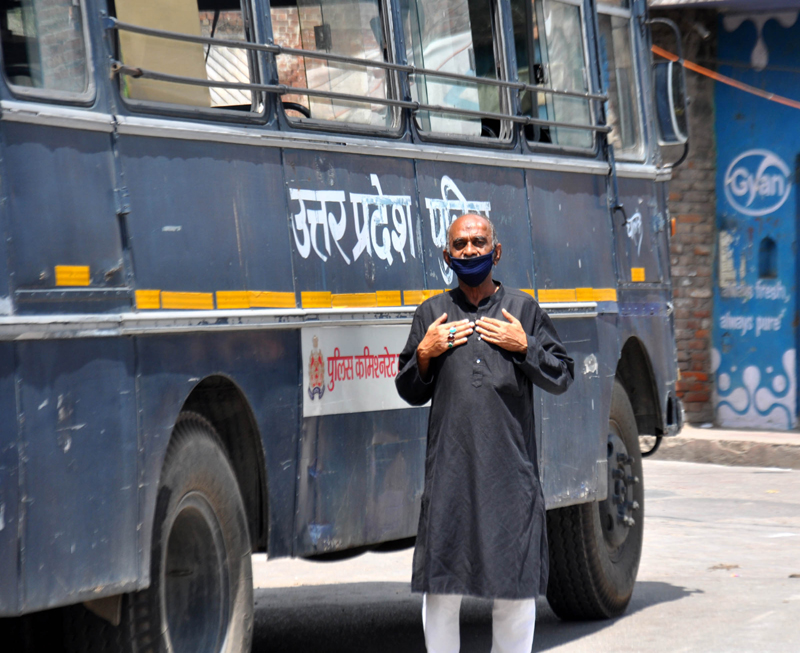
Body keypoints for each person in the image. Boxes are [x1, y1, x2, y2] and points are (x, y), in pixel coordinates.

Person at [395, 213, 574, 653]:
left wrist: (524, 345)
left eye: (478, 242)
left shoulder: (524, 310)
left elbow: (562, 375)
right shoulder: (432, 314)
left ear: (497, 252)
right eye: (460, 245)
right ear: (447, 256)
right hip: (450, 476)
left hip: (510, 477)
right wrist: (424, 353)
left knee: (513, 589)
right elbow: (409, 389)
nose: (470, 250)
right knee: (441, 587)